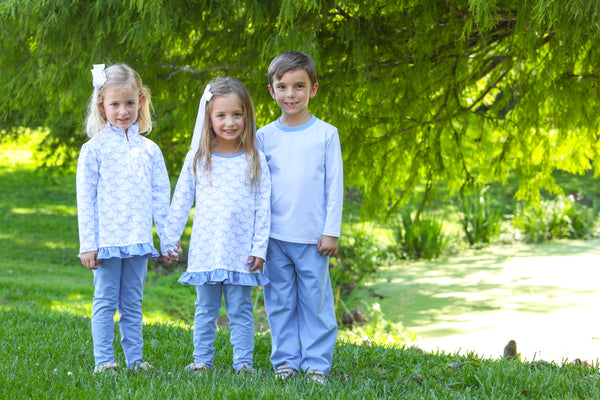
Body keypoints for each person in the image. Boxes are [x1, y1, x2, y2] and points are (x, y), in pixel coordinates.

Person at [162, 77, 271, 374]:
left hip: (241, 253)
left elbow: (264, 208)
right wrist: (170, 238)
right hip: (207, 249)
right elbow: (181, 201)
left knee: (240, 310)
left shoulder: (255, 159)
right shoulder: (198, 158)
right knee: (205, 309)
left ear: (247, 115)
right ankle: (201, 360)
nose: (230, 122)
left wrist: (259, 247)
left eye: (237, 114)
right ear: (208, 119)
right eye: (221, 115)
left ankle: (243, 363)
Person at [76, 63, 172, 373]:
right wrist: (88, 245)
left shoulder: (150, 151)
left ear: (141, 101)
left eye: (129, 103)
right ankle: (105, 361)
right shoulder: (93, 151)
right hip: (106, 243)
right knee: (105, 301)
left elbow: (161, 199)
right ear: (101, 105)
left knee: (132, 303)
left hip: (138, 242)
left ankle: (135, 360)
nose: (122, 111)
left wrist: (168, 240)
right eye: (114, 104)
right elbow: (85, 202)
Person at [256, 51, 344, 383]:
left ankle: (317, 363)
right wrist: (259, 236)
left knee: (315, 303)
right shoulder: (265, 136)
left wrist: (331, 231)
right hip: (275, 237)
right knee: (279, 302)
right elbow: (259, 189)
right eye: (283, 87)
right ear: (271, 91)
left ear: (314, 89)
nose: (290, 95)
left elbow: (334, 186)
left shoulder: (325, 134)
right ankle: (286, 361)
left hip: (313, 237)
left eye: (299, 86)